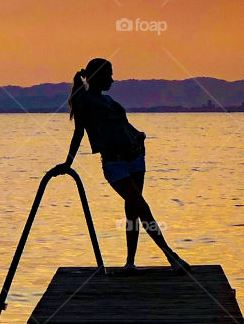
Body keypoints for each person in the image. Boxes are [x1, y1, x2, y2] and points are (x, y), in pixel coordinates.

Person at [57, 58, 191, 272]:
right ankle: (171, 255)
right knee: (141, 206)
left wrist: (139, 135)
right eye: (108, 75)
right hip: (115, 163)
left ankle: (130, 262)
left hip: (136, 156)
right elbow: (79, 133)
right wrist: (67, 163)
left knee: (133, 210)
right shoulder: (85, 102)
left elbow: (123, 125)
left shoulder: (109, 100)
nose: (112, 79)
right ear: (97, 77)